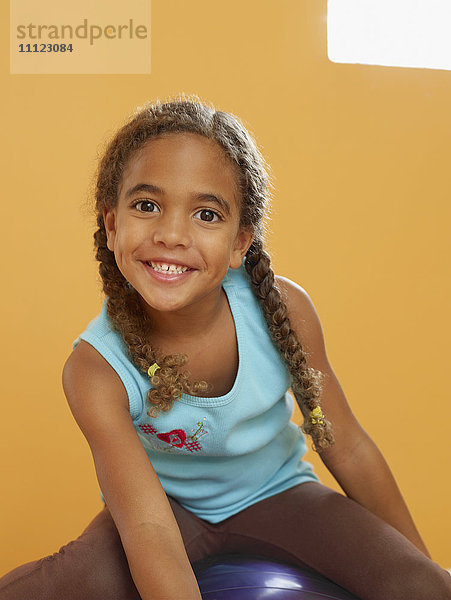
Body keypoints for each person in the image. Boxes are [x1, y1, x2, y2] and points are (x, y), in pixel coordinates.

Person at [1, 95, 450, 600]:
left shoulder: (283, 311)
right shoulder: (95, 369)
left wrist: (421, 571)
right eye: (147, 206)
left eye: (206, 215)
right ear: (110, 225)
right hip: (163, 509)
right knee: (68, 582)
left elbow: (345, 443)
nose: (171, 234)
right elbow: (148, 529)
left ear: (240, 242)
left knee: (419, 585)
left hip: (280, 496)